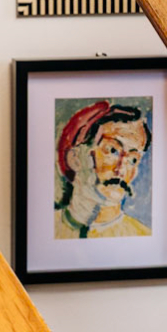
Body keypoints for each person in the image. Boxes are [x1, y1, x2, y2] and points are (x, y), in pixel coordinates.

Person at [53, 101, 152, 239]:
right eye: (112, 150)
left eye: (133, 160)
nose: (121, 170)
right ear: (75, 158)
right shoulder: (47, 228)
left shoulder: (141, 235)